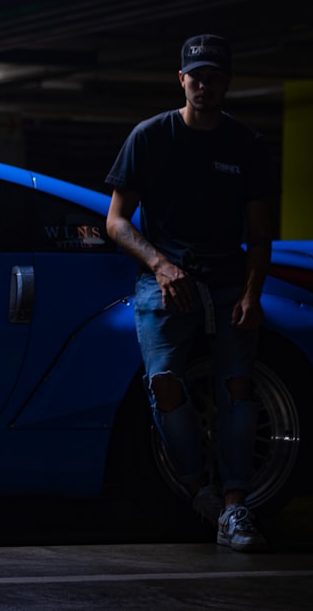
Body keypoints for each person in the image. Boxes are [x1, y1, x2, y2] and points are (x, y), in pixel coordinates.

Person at [103, 34, 277, 552]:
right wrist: (160, 265)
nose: (204, 84)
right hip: (165, 281)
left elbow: (261, 230)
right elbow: (115, 221)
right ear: (181, 80)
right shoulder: (151, 137)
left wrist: (252, 292)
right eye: (195, 76)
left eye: (214, 76)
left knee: (238, 388)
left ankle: (234, 507)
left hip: (228, 283)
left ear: (227, 81)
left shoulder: (246, 144)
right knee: (165, 386)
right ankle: (197, 487)